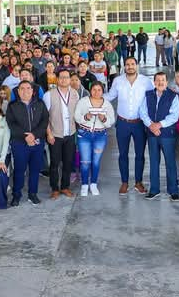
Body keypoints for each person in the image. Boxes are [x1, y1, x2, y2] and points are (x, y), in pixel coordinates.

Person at [105, 57, 153, 195]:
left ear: (136, 66)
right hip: (122, 123)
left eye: (132, 64)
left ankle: (138, 182)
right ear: (124, 66)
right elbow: (110, 96)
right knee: (123, 154)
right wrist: (95, 97)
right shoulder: (118, 81)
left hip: (139, 123)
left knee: (140, 155)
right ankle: (124, 182)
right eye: (127, 64)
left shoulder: (146, 81)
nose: (130, 66)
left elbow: (153, 97)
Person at [7, 81, 49, 206]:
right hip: (19, 143)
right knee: (19, 170)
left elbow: (44, 121)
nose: (25, 91)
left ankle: (33, 194)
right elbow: (11, 123)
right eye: (22, 89)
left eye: (28, 88)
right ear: (18, 91)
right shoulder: (12, 106)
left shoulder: (40, 104)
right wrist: (26, 136)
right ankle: (16, 195)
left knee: (35, 170)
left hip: (37, 142)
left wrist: (34, 135)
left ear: (32, 90)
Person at [140, 71, 179, 201]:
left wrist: (159, 125)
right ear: (154, 82)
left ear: (166, 82)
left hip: (167, 134)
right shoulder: (148, 95)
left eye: (162, 80)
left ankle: (173, 190)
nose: (160, 82)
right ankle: (154, 189)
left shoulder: (173, 95)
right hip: (152, 134)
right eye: (157, 80)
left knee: (170, 162)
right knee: (153, 162)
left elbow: (174, 115)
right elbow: (142, 112)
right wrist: (151, 125)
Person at [74, 78, 114, 196]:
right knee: (85, 161)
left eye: (99, 90)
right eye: (94, 90)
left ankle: (94, 184)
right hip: (84, 134)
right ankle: (85, 184)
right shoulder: (83, 102)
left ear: (103, 91)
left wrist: (104, 119)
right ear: (90, 91)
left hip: (100, 135)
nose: (96, 92)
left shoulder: (107, 104)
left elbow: (111, 122)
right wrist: (86, 117)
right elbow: (77, 116)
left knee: (96, 161)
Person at [44, 68, 79, 199]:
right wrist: (49, 134)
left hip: (70, 134)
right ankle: (54, 188)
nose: (64, 79)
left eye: (66, 77)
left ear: (70, 79)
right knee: (54, 163)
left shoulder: (75, 93)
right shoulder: (49, 94)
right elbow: (45, 116)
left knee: (68, 162)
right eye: (62, 77)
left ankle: (65, 187)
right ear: (57, 79)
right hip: (55, 135)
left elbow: (78, 113)